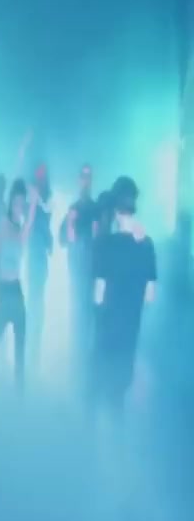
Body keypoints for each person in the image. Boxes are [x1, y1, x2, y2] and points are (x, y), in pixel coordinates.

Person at [91, 177, 156, 411]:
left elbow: (98, 295)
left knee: (96, 395)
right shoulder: (147, 245)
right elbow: (150, 296)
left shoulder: (106, 244)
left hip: (106, 331)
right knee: (118, 398)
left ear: (116, 210)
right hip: (130, 332)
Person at [0, 178, 39, 387]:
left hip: (16, 290)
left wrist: (34, 202)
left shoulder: (18, 227)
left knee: (20, 342)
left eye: (22, 204)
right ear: (11, 202)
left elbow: (27, 229)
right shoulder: (3, 226)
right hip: (4, 291)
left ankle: (19, 390)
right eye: (16, 203)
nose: (19, 207)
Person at [59, 164, 98, 362]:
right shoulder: (73, 209)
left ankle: (84, 356)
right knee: (78, 312)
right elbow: (64, 240)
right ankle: (77, 356)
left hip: (91, 271)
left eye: (88, 176)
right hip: (76, 270)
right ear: (78, 180)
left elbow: (99, 239)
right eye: (83, 176)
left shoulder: (96, 209)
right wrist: (70, 223)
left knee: (87, 312)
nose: (86, 180)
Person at [25, 165, 54, 366]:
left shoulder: (46, 201)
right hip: (33, 255)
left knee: (37, 299)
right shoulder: (31, 202)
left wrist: (37, 200)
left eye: (42, 177)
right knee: (33, 299)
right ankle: (30, 346)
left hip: (40, 257)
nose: (40, 181)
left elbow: (47, 210)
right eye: (38, 177)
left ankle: (34, 345)